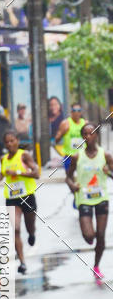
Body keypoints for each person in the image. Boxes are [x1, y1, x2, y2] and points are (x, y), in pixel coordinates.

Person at [65, 122, 113, 285]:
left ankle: (96, 266)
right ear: (82, 137)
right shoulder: (77, 157)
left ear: (96, 135)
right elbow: (68, 177)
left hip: (101, 198)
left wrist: (109, 172)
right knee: (89, 236)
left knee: (100, 234)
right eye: (85, 134)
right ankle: (89, 237)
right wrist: (73, 186)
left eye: (91, 133)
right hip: (84, 198)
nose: (88, 136)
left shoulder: (105, 155)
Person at [0, 129, 40, 275]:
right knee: (15, 228)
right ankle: (22, 262)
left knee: (30, 226)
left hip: (27, 196)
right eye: (7, 142)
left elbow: (36, 173)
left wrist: (18, 173)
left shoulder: (24, 155)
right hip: (12, 199)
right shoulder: (3, 159)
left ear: (17, 141)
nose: (10, 144)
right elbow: (2, 174)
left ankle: (32, 234)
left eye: (12, 141)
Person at [55, 102, 86, 172]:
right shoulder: (65, 123)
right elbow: (56, 140)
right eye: (74, 110)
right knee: (69, 178)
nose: (76, 112)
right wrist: (62, 132)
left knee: (83, 179)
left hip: (82, 156)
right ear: (71, 112)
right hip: (69, 156)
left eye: (79, 110)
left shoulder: (85, 123)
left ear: (81, 112)